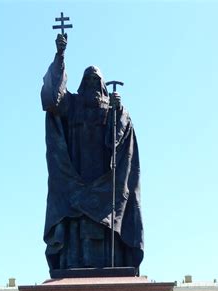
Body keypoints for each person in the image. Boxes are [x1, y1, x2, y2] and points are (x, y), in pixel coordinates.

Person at [41, 33, 143, 273]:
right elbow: (51, 99)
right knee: (77, 221)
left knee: (105, 222)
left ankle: (111, 265)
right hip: (75, 177)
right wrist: (60, 56)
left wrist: (117, 114)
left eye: (96, 82)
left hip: (106, 180)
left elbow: (118, 141)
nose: (92, 86)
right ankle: (73, 265)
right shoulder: (73, 105)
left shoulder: (113, 110)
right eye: (87, 81)